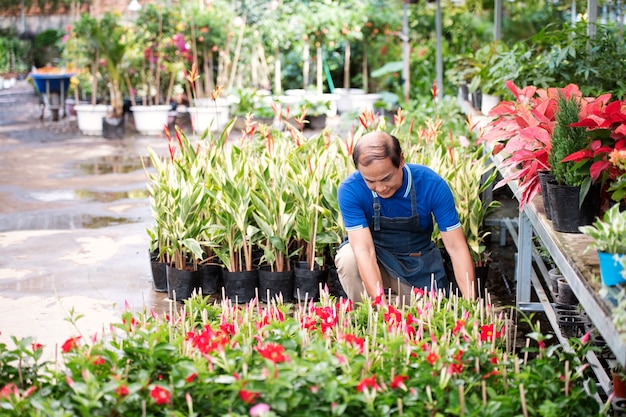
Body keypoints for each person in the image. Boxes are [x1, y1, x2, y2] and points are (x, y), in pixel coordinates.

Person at [335, 131, 476, 304]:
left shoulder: (431, 184)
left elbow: (456, 247)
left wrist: (471, 304)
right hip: (376, 263)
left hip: (418, 266)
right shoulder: (350, 190)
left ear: (401, 160)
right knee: (348, 257)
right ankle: (372, 313)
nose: (380, 187)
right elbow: (364, 251)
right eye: (370, 181)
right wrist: (382, 309)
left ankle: (397, 304)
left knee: (430, 316)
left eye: (386, 178)